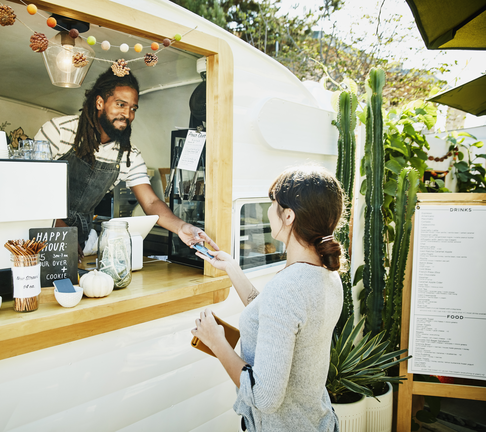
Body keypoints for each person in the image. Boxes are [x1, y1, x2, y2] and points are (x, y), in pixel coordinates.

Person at [191, 165, 344, 432]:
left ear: (288, 215)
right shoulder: (328, 275)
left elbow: (264, 398)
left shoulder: (287, 288)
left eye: (272, 203)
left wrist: (216, 342)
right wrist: (232, 268)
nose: (268, 209)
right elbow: (277, 319)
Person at [34, 66, 217, 259]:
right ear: (99, 102)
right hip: (39, 228)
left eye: (133, 108)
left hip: (80, 237)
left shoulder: (129, 155)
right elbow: (28, 185)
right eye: (120, 105)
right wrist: (58, 228)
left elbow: (152, 202)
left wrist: (182, 227)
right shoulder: (58, 131)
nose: (128, 115)